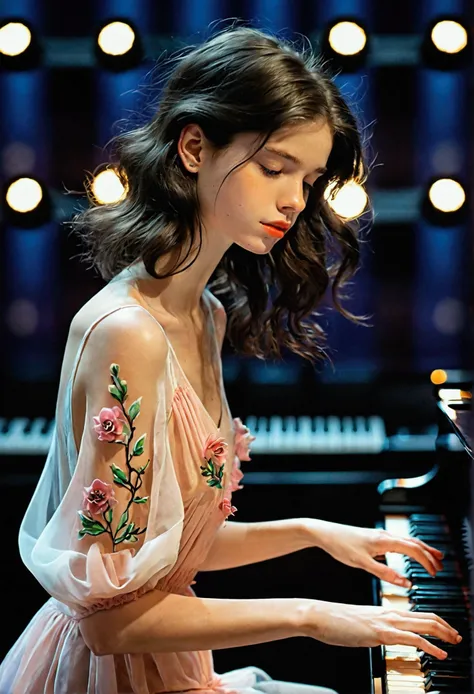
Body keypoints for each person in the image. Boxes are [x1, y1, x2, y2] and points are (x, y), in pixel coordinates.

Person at [0, 23, 461, 694]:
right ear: (194, 147)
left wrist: (314, 531)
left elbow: (162, 553)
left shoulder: (204, 312)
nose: (294, 201)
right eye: (275, 168)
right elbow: (109, 623)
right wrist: (310, 615)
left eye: (307, 179)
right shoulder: (127, 331)